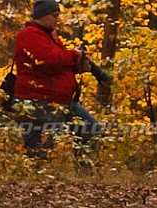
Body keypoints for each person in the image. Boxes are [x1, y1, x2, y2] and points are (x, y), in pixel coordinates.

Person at [12, 0, 100, 167]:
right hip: (37, 100)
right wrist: (74, 55)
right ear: (42, 15)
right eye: (54, 15)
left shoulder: (50, 35)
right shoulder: (29, 34)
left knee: (90, 127)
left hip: (59, 101)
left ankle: (84, 174)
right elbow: (48, 60)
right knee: (41, 147)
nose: (58, 19)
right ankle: (34, 183)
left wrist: (77, 69)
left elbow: (56, 66)